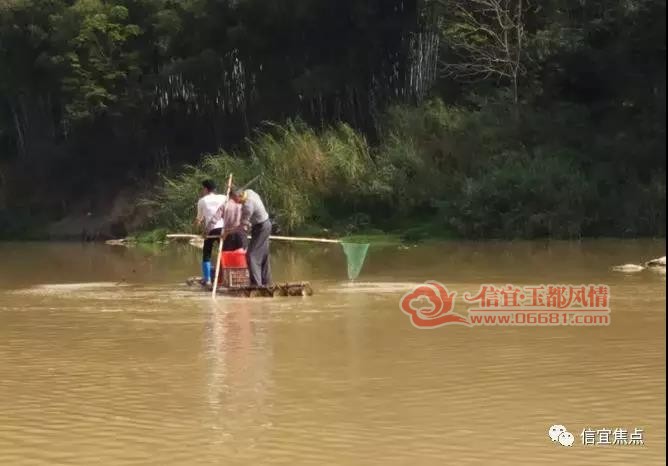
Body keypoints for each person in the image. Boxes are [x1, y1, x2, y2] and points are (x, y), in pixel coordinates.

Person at [229, 187, 271, 286]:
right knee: (264, 255)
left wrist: (228, 232)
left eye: (236, 200)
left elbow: (242, 226)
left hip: (262, 227)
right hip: (265, 224)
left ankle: (256, 284)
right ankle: (267, 282)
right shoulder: (250, 191)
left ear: (239, 196)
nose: (236, 203)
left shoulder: (247, 206)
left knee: (251, 255)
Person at [195, 179, 227, 285]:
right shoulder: (223, 197)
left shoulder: (202, 201)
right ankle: (224, 278)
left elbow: (199, 218)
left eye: (202, 189)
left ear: (205, 189)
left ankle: (207, 279)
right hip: (223, 230)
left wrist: (197, 223)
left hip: (211, 230)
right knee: (223, 253)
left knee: (206, 253)